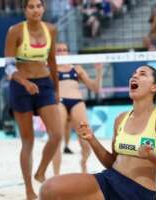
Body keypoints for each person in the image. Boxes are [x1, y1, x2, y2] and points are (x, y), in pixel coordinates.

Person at [39, 65, 156, 200]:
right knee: (49, 188)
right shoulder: (121, 119)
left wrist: (152, 157)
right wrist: (92, 140)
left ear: (155, 87)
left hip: (138, 191)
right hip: (110, 180)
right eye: (133, 74)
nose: (134, 76)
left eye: (142, 74)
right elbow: (112, 163)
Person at [4, 0, 63, 199]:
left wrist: (56, 88)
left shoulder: (51, 29)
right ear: (25, 10)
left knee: (56, 134)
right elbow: (9, 67)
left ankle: (41, 171)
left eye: (39, 6)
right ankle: (29, 189)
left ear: (43, 8)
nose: (36, 10)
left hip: (44, 84)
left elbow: (52, 60)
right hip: (21, 86)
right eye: (31, 6)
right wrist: (25, 82)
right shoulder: (15, 31)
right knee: (27, 141)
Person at [52, 42, 103, 175]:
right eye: (59, 50)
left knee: (86, 140)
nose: (62, 52)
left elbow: (95, 88)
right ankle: (56, 175)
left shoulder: (77, 68)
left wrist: (99, 71)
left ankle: (83, 163)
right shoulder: (51, 68)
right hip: (59, 102)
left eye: (64, 50)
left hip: (77, 102)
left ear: (68, 52)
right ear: (54, 53)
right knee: (57, 139)